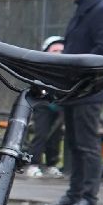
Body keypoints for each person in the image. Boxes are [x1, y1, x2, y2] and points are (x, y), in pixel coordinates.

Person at [43, 0, 103, 205]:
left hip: (88, 89)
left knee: (87, 145)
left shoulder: (102, 11)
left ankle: (88, 198)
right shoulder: (83, 10)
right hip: (73, 88)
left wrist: (76, 65)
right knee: (74, 145)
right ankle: (73, 195)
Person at [23, 35, 65, 177]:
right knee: (41, 134)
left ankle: (51, 164)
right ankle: (33, 164)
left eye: (61, 50)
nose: (59, 53)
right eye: (55, 50)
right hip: (43, 105)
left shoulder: (66, 69)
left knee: (56, 137)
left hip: (58, 106)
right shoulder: (42, 67)